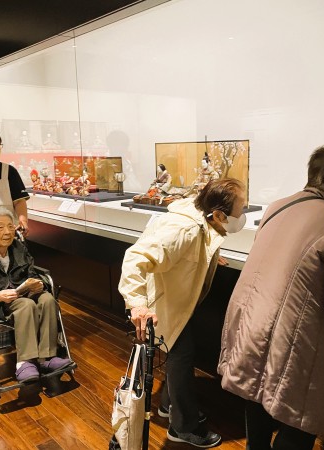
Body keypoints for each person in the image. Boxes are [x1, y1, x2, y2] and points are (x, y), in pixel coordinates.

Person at [218, 144, 324, 450]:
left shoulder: (277, 207)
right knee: (300, 415)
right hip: (293, 335)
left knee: (256, 397)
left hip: (250, 322)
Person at [119, 178, 248, 448]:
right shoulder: (184, 229)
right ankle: (183, 427)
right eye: (242, 210)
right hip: (164, 305)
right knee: (181, 356)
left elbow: (195, 243)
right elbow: (135, 259)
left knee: (180, 355)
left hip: (177, 303)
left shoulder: (202, 218)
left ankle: (170, 406)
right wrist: (137, 304)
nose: (244, 215)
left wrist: (206, 256)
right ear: (219, 215)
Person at [0, 207, 76, 382]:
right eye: (0, 227)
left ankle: (47, 357)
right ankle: (24, 362)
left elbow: (31, 273)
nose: (7, 232)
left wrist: (38, 284)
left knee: (47, 299)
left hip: (23, 294)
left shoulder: (19, 248)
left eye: (10, 226)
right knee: (27, 304)